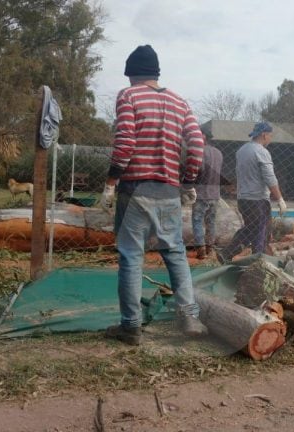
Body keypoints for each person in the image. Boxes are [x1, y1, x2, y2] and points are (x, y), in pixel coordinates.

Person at [99, 44, 208, 345]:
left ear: (132, 74)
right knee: (175, 253)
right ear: (156, 73)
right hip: (168, 190)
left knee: (132, 256)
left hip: (134, 188)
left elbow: (124, 144)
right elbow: (197, 145)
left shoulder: (129, 95)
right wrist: (187, 182)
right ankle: (189, 318)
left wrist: (110, 183)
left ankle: (131, 327)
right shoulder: (180, 102)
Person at [217, 121, 286, 264]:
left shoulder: (241, 151)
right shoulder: (261, 152)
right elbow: (269, 177)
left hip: (243, 198)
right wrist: (280, 199)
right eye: (270, 135)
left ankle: (231, 254)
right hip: (257, 199)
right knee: (259, 232)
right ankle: (257, 261)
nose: (270, 139)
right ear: (264, 134)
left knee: (252, 228)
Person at [191, 127, 224, 260]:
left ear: (203, 136)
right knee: (211, 222)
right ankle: (210, 248)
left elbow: (199, 170)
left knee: (197, 220)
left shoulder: (200, 152)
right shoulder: (218, 153)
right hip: (215, 194)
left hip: (201, 193)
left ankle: (201, 249)